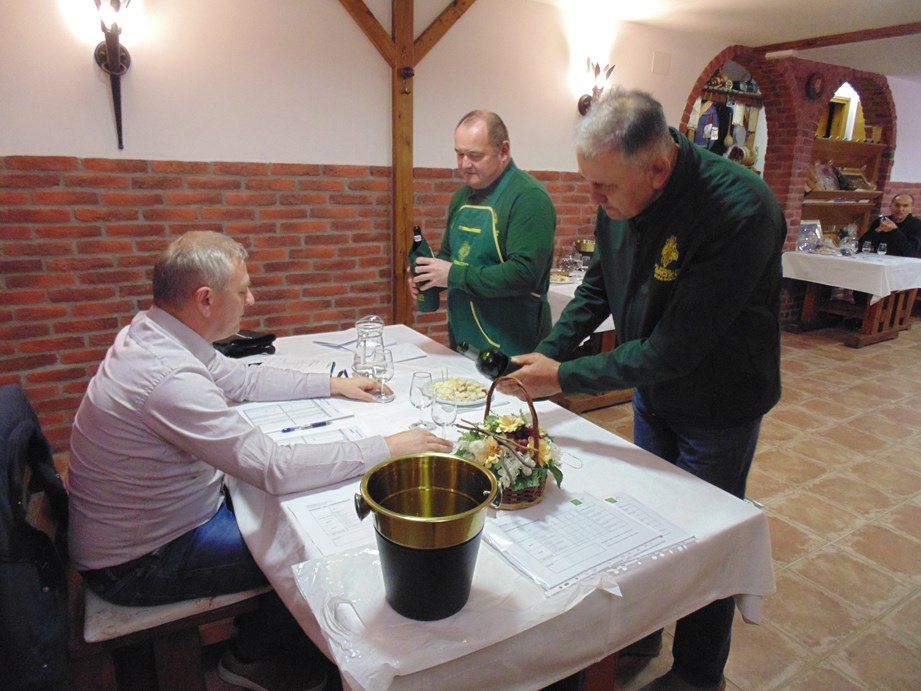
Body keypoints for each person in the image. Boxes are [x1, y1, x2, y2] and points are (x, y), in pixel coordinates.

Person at [67, 230, 452, 691]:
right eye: (243, 290)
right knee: (313, 553)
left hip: (155, 525)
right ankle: (258, 659)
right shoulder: (168, 375)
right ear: (205, 299)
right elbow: (274, 468)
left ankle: (262, 641)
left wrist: (333, 384)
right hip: (139, 561)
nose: (251, 300)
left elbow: (243, 381)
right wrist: (385, 448)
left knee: (290, 518)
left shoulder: (160, 333)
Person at [502, 88, 786, 691]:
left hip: (718, 401)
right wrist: (551, 352)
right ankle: (641, 631)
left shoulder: (740, 210)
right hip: (652, 391)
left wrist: (564, 378)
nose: (594, 199)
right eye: (589, 183)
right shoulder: (618, 190)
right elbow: (597, 288)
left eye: (603, 188)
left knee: (706, 537)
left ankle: (698, 673)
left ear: (658, 170)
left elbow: (674, 350)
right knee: (649, 522)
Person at [409, 109, 557, 355]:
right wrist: (430, 277)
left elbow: (524, 274)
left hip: (514, 344)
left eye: (475, 155)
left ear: (504, 151)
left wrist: (453, 275)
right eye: (459, 154)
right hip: (464, 338)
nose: (465, 164)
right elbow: (449, 257)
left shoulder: (529, 198)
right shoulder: (461, 198)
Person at [857, 192, 921, 257]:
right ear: (890, 206)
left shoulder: (917, 225)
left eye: (905, 206)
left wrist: (894, 230)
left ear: (911, 209)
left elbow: (910, 252)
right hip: (878, 258)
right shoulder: (881, 221)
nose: (900, 209)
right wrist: (877, 230)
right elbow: (860, 246)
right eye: (897, 205)